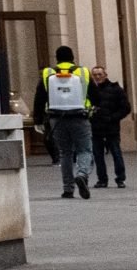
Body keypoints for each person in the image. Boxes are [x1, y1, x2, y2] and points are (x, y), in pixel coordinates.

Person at [32, 46, 94, 200]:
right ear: (72, 57)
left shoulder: (48, 73)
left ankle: (68, 189)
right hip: (79, 117)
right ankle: (82, 174)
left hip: (56, 118)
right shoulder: (82, 72)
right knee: (84, 150)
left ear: (57, 58)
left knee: (65, 153)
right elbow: (96, 95)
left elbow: (39, 98)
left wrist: (38, 119)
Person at [88, 67, 131, 190]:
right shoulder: (90, 91)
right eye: (94, 75)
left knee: (116, 153)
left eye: (99, 74)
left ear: (105, 75)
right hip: (96, 128)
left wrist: (113, 118)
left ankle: (120, 179)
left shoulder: (116, 89)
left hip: (111, 128)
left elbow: (126, 108)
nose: (97, 77)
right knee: (98, 155)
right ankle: (102, 180)